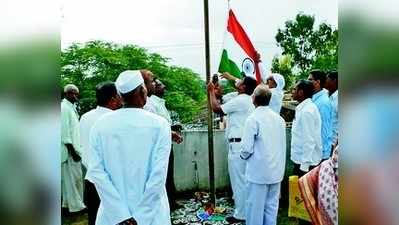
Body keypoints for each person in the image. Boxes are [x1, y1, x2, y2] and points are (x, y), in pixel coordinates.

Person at [86, 70, 172, 225]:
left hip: (112, 217)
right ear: (142, 91)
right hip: (152, 216)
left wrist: (120, 214)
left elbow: (96, 172)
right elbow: (158, 176)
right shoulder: (160, 125)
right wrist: (142, 218)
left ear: (120, 96)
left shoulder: (100, 125)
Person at [207, 75, 257, 223]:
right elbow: (222, 101)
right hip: (241, 144)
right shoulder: (245, 99)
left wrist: (210, 91)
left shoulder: (241, 100)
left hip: (238, 145)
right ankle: (244, 211)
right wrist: (216, 91)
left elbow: (216, 108)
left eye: (240, 81)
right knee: (243, 180)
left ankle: (241, 214)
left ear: (243, 87)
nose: (238, 82)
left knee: (239, 181)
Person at [240, 85, 286, 225]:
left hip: (258, 173)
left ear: (253, 98)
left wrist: (242, 156)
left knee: (254, 210)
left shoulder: (253, 119)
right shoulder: (279, 119)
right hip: (276, 172)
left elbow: (246, 149)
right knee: (271, 209)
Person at [79, 81, 122, 225]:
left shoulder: (85, 117)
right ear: (114, 98)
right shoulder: (115, 120)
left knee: (94, 219)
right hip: (111, 184)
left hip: (91, 179)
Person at [142, 72, 183, 210]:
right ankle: (167, 204)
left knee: (168, 174)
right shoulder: (149, 104)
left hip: (165, 142)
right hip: (158, 145)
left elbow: (163, 123)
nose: (161, 86)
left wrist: (172, 128)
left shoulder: (159, 103)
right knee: (162, 176)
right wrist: (170, 131)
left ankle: (171, 201)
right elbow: (155, 127)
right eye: (155, 83)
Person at [61, 84, 86, 213]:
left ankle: (66, 204)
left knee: (70, 180)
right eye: (73, 93)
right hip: (69, 151)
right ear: (66, 94)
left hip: (75, 149)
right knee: (73, 180)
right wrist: (72, 151)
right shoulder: (63, 108)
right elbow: (64, 132)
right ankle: (77, 207)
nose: (76, 96)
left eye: (77, 94)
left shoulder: (71, 107)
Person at [291, 80, 322, 177]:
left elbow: (309, 140)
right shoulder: (304, 108)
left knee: (302, 191)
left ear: (301, 92)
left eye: (295, 89)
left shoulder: (307, 111)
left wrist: (304, 167)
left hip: (305, 164)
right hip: (302, 160)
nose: (292, 91)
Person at [308, 70, 333, 160]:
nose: (308, 82)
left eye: (310, 80)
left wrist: (322, 154)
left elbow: (324, 129)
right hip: (314, 151)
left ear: (317, 82)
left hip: (319, 153)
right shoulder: (315, 99)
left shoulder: (323, 102)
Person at [325, 71, 338, 146]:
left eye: (327, 78)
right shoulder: (325, 96)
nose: (324, 80)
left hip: (335, 143)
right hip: (326, 142)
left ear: (334, 80)